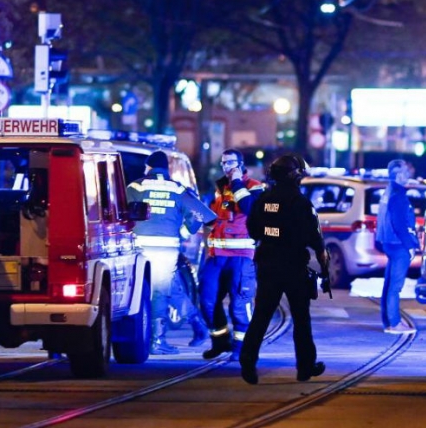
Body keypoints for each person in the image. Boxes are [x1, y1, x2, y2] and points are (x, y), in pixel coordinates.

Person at [240, 154, 328, 384]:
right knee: (301, 318)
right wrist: (323, 261)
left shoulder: (263, 200)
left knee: (261, 317)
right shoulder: (301, 204)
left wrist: (273, 236)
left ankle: (247, 363)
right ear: (295, 176)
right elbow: (314, 237)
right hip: (293, 267)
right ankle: (305, 367)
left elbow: (253, 229)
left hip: (268, 264)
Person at [126, 151, 217, 355]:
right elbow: (203, 216)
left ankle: (157, 340)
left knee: (154, 292)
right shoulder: (178, 188)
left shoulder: (135, 187)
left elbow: (121, 213)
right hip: (167, 250)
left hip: (140, 249)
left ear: (148, 167)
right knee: (168, 289)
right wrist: (182, 233)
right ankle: (198, 326)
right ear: (166, 169)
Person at [199, 149, 266, 361]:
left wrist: (238, 182)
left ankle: (241, 348)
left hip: (241, 256)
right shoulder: (221, 188)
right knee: (207, 300)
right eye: (223, 163)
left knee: (240, 303)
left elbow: (249, 208)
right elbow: (218, 217)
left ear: (240, 163)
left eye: (230, 163)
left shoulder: (255, 187)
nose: (226, 167)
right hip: (217, 255)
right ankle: (220, 342)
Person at [375, 159, 420, 334]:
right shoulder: (399, 195)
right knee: (395, 286)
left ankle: (388, 321)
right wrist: (410, 246)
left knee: (389, 284)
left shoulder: (388, 192)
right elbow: (399, 223)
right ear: (399, 174)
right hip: (398, 244)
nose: (408, 175)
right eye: (406, 172)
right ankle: (394, 323)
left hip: (388, 242)